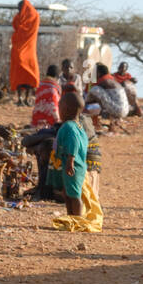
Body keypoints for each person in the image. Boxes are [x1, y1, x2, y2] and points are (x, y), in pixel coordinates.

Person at [48, 91, 102, 232]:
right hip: (76, 165)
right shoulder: (78, 126)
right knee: (68, 193)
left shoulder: (69, 127)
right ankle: (70, 217)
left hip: (72, 165)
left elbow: (74, 143)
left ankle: (77, 220)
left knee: (74, 194)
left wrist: (70, 161)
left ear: (65, 109)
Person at [32, 65, 63, 129]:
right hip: (52, 119)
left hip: (37, 119)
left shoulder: (40, 85)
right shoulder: (56, 86)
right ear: (57, 76)